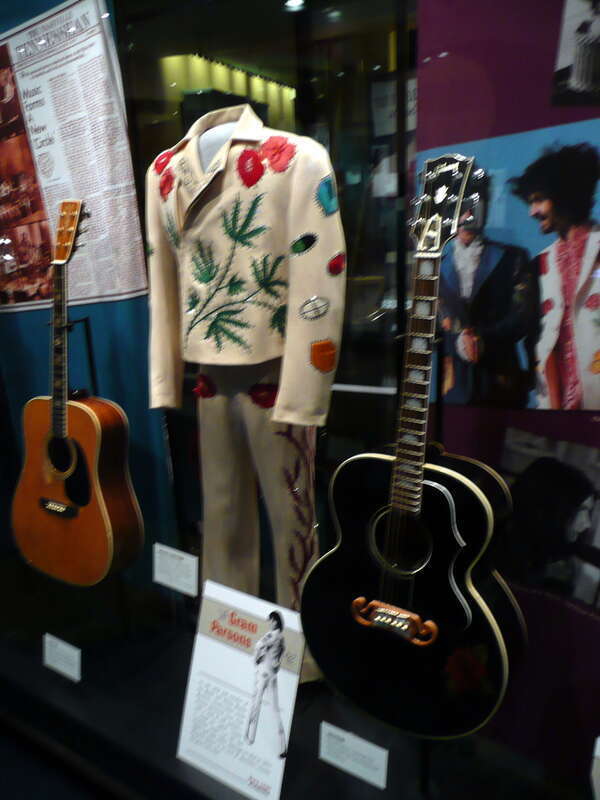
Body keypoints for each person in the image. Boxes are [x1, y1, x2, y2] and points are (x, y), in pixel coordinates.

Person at [509, 143, 600, 409]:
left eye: (538, 199)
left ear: (564, 196)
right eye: (530, 202)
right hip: (554, 404)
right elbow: (524, 326)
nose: (532, 211)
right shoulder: (539, 264)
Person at [438, 174, 537, 407]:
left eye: (473, 207)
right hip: (454, 388)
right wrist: (456, 338)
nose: (466, 216)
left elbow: (524, 316)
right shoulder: (435, 264)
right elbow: (428, 321)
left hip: (502, 382)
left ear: (486, 209)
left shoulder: (514, 257)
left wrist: (483, 338)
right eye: (459, 208)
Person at [245, 611, 287, 758]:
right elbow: (279, 658)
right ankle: (282, 747)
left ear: (276, 622)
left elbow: (258, 645)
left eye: (272, 620)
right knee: (275, 709)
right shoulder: (282, 638)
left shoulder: (271, 635)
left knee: (256, 703)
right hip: (273, 675)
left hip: (263, 673)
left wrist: (257, 658)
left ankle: (249, 737)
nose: (270, 623)